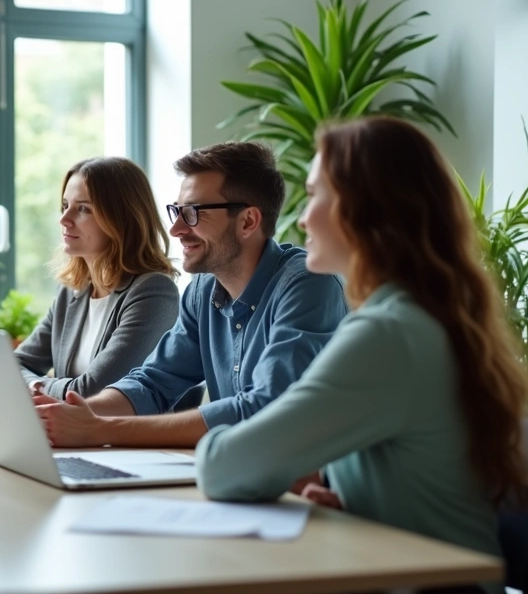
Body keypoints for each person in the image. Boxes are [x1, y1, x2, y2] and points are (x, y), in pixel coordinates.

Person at [196, 118, 528, 593]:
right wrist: (351, 498)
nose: (303, 217)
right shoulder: (417, 314)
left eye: (315, 196)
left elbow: (223, 468)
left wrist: (215, 445)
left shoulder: (388, 333)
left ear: (365, 210)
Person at [34, 141, 347, 448]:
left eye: (194, 213)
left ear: (248, 221)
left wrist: (101, 430)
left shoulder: (307, 284)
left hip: (301, 485)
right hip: (239, 473)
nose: (177, 229)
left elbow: (265, 407)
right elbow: (152, 383)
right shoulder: (203, 290)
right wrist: (74, 415)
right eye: (177, 212)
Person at [15, 156, 179, 399]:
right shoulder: (72, 291)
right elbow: (15, 364)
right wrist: (40, 385)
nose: (64, 219)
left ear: (122, 218)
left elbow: (92, 392)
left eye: (83, 208)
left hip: (131, 437)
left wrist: (37, 386)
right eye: (64, 205)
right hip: (71, 433)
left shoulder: (154, 292)